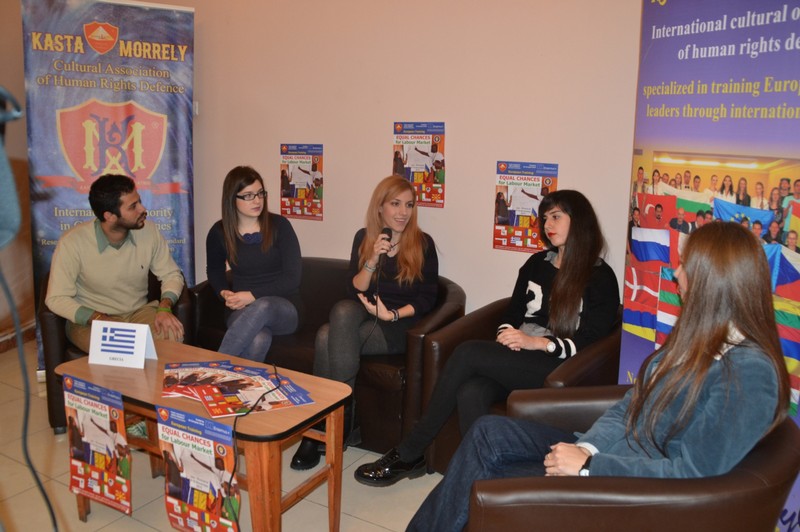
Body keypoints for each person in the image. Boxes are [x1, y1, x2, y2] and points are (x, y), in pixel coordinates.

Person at [408, 221, 789, 532]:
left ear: (713, 280)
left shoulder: (749, 372)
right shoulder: (697, 339)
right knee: (488, 432)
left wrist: (589, 467)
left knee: (489, 475)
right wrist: (588, 448)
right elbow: (629, 407)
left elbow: (694, 473)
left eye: (685, 265)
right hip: (610, 457)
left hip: (629, 490)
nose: (676, 273)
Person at [354, 190, 620, 487]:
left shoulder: (600, 277)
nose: (548, 224)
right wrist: (507, 335)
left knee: (467, 353)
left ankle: (410, 450)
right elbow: (511, 313)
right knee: (472, 390)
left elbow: (591, 341)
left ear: (579, 221)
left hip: (559, 368)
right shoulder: (536, 264)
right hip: (521, 358)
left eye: (556, 217)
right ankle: (481, 480)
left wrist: (537, 343)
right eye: (545, 218)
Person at [290, 175, 439, 470]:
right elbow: (354, 288)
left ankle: (323, 425)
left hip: (397, 324)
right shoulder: (364, 237)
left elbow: (428, 298)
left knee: (325, 336)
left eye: (409, 205)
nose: (403, 212)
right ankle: (342, 421)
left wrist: (392, 314)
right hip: (364, 313)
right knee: (342, 310)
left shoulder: (423, 243)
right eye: (395, 204)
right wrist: (371, 259)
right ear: (380, 207)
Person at [46, 174, 185, 352]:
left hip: (138, 313)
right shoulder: (72, 242)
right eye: (133, 206)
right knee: (120, 350)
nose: (143, 209)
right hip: (91, 320)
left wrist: (164, 308)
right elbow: (56, 298)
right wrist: (98, 318)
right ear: (110, 216)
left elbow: (171, 274)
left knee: (172, 336)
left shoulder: (149, 231)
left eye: (139, 201)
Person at [206, 166, 302, 362]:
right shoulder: (219, 232)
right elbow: (215, 270)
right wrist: (224, 292)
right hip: (241, 308)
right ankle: (238, 382)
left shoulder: (280, 226)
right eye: (248, 196)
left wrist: (252, 296)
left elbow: (293, 278)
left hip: (284, 307)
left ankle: (215, 369)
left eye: (260, 193)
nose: (257, 200)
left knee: (263, 304)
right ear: (232, 198)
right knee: (258, 339)